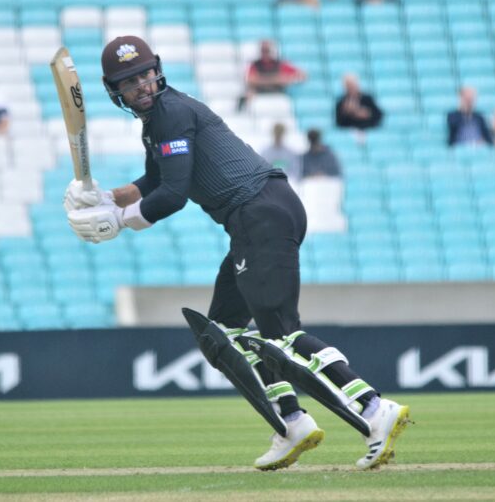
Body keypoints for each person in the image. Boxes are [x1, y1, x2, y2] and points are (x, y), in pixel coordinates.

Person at [63, 35, 410, 471]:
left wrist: (119, 221)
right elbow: (157, 177)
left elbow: (173, 195)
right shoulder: (160, 123)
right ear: (116, 91)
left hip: (259, 213)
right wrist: (108, 198)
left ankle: (375, 408)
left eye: (145, 75)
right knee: (226, 332)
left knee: (282, 333)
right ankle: (291, 422)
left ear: (157, 71)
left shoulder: (171, 113)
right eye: (130, 83)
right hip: (258, 216)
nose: (142, 87)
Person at [238, 40, 306, 111]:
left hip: (277, 91)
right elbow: (249, 79)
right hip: (260, 90)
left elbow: (302, 75)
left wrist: (261, 79)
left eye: (267, 50)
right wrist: (276, 79)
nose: (265, 53)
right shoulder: (255, 64)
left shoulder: (280, 64)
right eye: (263, 50)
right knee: (248, 94)